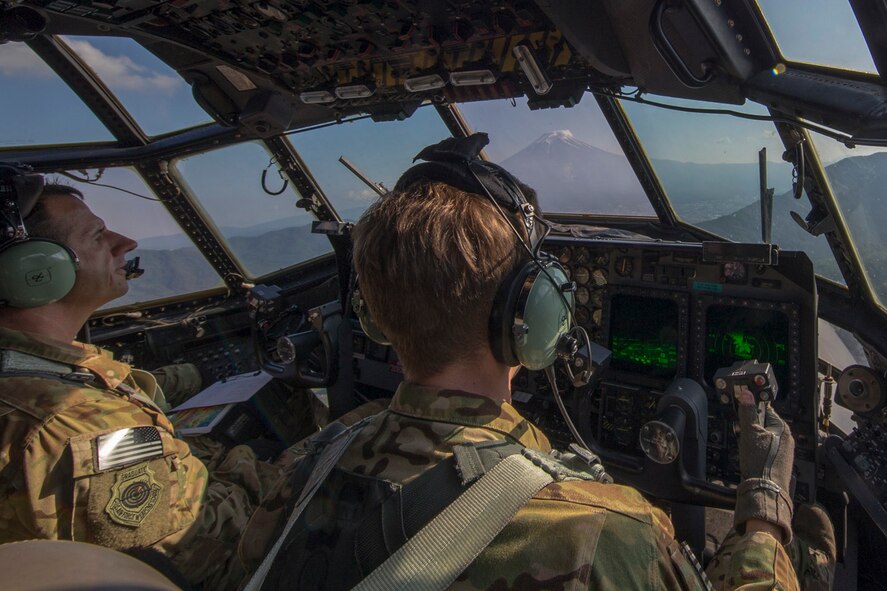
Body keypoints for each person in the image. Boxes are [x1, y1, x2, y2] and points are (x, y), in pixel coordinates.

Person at [238, 134, 805, 590]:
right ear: (530, 311)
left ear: (374, 317)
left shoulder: (304, 470)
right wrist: (761, 510)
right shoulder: (601, 534)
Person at [0, 171, 296, 590]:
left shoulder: (26, 369)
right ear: (35, 272)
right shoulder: (78, 422)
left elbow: (96, 376)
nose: (126, 243)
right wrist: (262, 468)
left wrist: (196, 375)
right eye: (98, 236)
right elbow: (200, 556)